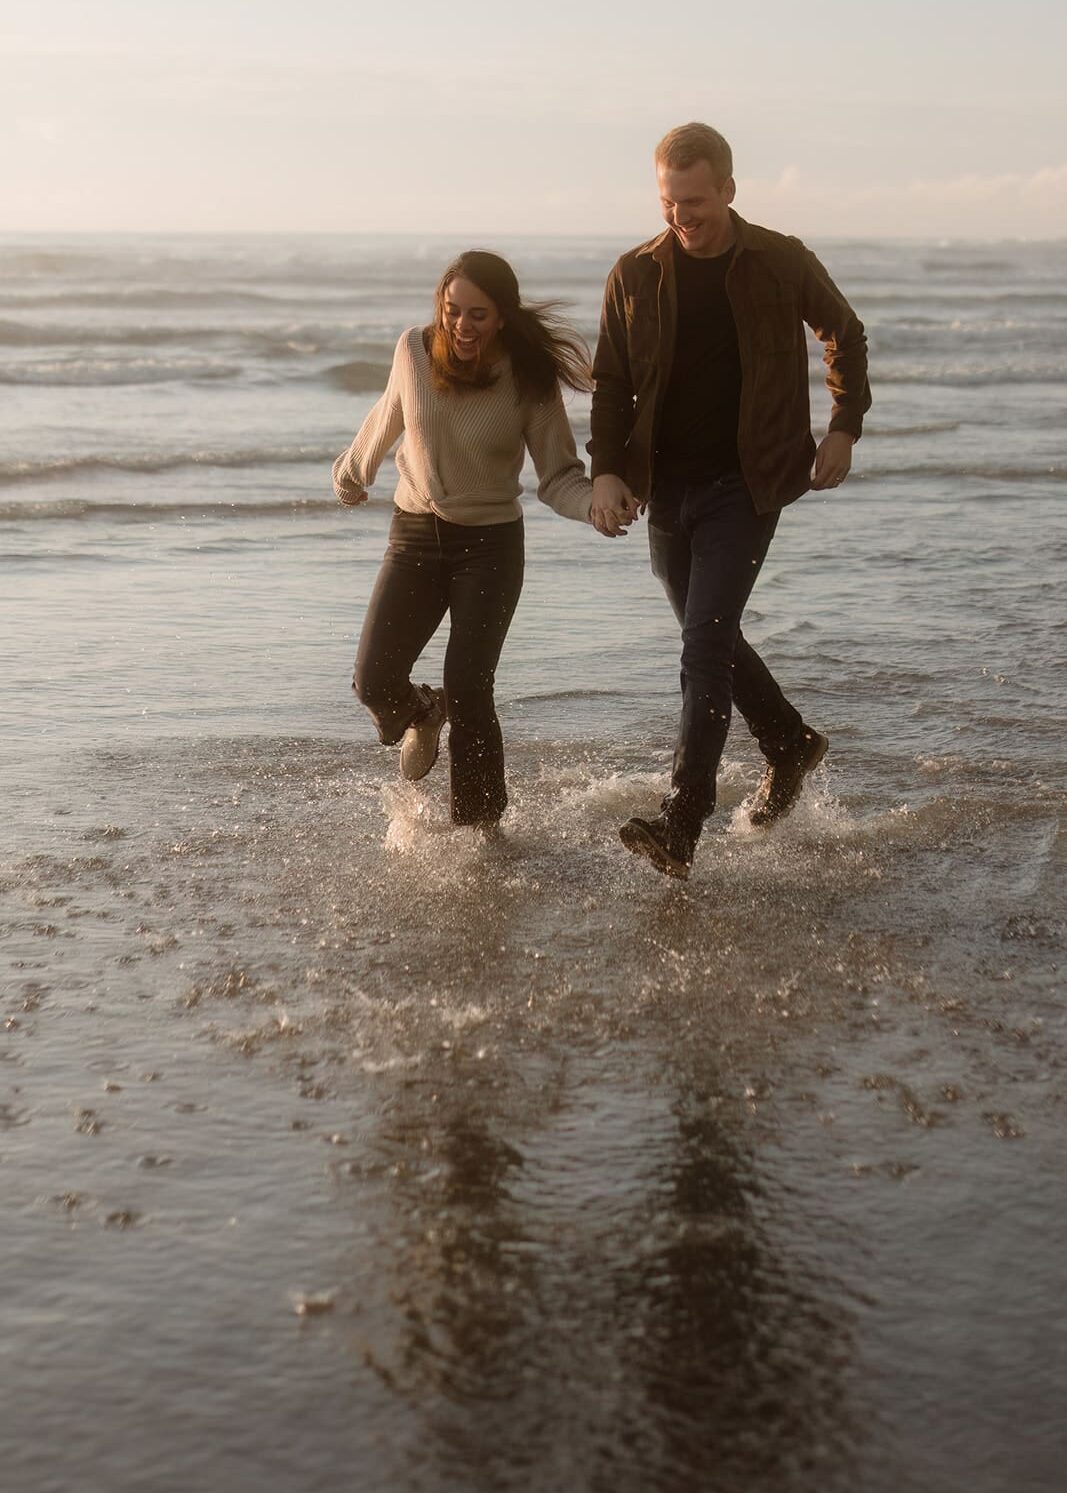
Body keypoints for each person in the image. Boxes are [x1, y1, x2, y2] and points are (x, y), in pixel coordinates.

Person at [589, 122, 871, 879]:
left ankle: (682, 818)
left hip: (748, 482)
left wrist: (843, 426)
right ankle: (787, 742)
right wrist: (606, 471)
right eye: (668, 201)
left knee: (703, 643)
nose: (682, 216)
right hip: (665, 486)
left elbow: (841, 331)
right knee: (705, 634)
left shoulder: (779, 260)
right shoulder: (634, 273)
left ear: (729, 190)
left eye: (695, 201)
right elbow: (611, 381)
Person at [333, 250, 606, 830]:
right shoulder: (413, 349)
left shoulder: (527, 378)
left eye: (478, 315)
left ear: (502, 316)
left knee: (471, 685)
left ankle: (480, 830)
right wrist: (355, 469)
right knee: (373, 680)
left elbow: (558, 475)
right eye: (452, 310)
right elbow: (388, 415)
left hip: (489, 546)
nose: (461, 325)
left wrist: (594, 508)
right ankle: (424, 712)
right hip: (414, 537)